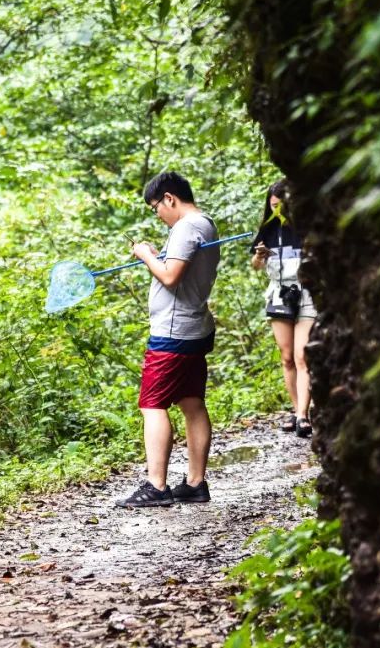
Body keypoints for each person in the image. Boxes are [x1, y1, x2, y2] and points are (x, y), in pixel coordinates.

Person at [116, 171, 220, 508]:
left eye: (156, 207)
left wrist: (147, 254)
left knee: (152, 405)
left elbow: (171, 277)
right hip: (194, 328)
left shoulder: (186, 228)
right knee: (191, 402)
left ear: (170, 199)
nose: (158, 214)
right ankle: (194, 483)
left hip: (173, 334)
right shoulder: (205, 223)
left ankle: (156, 486)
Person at [251, 179, 317, 439]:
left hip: (307, 291)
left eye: (281, 206)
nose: (277, 211)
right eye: (273, 206)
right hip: (279, 292)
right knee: (287, 356)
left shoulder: (306, 228)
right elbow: (255, 266)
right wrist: (259, 256)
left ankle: (303, 414)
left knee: (302, 355)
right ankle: (297, 409)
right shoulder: (267, 230)